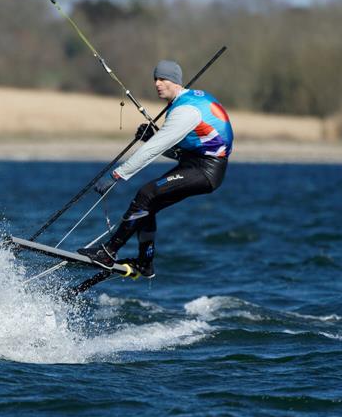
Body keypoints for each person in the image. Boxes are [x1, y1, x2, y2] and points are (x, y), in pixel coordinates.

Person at [77, 60, 233, 278]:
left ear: (176, 81)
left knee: (146, 194)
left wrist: (116, 176)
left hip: (205, 171)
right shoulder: (187, 102)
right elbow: (179, 150)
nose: (157, 84)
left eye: (163, 79)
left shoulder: (184, 112)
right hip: (195, 164)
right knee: (149, 202)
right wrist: (152, 137)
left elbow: (152, 150)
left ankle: (108, 252)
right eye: (155, 79)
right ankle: (145, 263)